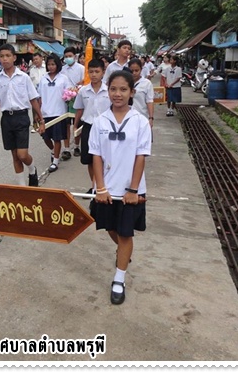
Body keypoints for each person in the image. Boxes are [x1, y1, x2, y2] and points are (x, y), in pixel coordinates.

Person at [88, 70, 151, 305]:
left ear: (132, 92)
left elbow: (141, 156)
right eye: (113, 89)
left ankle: (119, 277)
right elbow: (96, 156)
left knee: (125, 233)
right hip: (106, 189)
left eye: (123, 89)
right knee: (109, 228)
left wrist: (133, 190)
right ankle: (125, 254)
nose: (118, 94)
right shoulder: (100, 121)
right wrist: (100, 188)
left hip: (129, 191)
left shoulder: (140, 122)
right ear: (108, 90)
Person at [0, 44, 45, 186]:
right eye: (1, 56)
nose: (5, 59)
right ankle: (22, 186)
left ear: (14, 58)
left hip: (21, 117)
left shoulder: (24, 77)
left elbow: (33, 98)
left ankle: (32, 169)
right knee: (14, 155)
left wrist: (40, 118)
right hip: (7, 119)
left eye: (8, 56)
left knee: (22, 154)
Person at [73, 58, 110, 192]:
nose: (94, 74)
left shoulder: (109, 91)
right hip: (88, 127)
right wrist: (75, 126)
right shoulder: (83, 91)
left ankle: (103, 185)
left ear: (103, 72)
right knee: (89, 159)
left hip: (106, 128)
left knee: (104, 159)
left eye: (97, 71)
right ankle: (94, 186)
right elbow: (79, 109)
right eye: (91, 72)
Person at [37, 54, 74, 173]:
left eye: (53, 64)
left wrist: (70, 95)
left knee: (57, 138)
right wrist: (38, 113)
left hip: (59, 112)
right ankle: (53, 151)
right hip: (45, 112)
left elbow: (69, 93)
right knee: (45, 137)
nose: (51, 66)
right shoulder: (43, 79)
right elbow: (39, 97)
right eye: (49, 64)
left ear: (57, 65)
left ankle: (55, 161)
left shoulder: (63, 78)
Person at [60, 47, 85, 160]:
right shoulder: (62, 69)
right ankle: (66, 149)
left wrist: (76, 89)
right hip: (65, 98)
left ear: (75, 56)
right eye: (66, 56)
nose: (68, 58)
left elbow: (84, 81)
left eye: (70, 56)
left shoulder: (81, 68)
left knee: (77, 123)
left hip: (77, 98)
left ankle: (76, 146)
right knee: (66, 124)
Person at [128, 58, 155, 131]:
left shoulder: (147, 83)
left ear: (141, 69)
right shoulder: (125, 82)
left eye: (136, 70)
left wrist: (151, 118)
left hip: (142, 117)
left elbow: (149, 101)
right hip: (126, 118)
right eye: (131, 71)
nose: (134, 73)